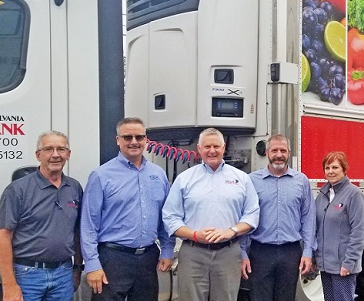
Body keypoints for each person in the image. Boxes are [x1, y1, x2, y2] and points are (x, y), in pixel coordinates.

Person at [80, 117, 173, 300]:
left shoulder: (158, 175)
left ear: (146, 139)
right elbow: (88, 224)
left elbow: (166, 217)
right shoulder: (101, 176)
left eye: (139, 137)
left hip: (148, 259)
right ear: (118, 140)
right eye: (127, 137)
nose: (133, 142)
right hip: (113, 259)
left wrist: (167, 250)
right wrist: (92, 264)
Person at [163, 128, 260, 301]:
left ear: (224, 148)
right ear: (199, 149)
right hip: (193, 253)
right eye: (207, 146)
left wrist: (231, 231)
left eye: (216, 146)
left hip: (228, 253)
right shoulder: (185, 179)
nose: (212, 150)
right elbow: (170, 217)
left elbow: (252, 215)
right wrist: (194, 235)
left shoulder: (242, 178)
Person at [0, 131, 83, 301]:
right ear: (38, 155)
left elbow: (77, 232)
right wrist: (9, 285)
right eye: (48, 149)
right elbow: (2, 237)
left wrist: (77, 268)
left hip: (64, 273)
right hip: (28, 275)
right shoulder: (17, 190)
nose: (55, 155)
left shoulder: (74, 187)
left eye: (61, 149)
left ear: (68, 154)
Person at [241, 134, 316, 301]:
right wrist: (243, 253)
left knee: (287, 297)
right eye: (274, 150)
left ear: (289, 153)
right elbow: (244, 217)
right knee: (259, 297)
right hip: (260, 252)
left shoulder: (301, 181)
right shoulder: (252, 181)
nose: (279, 154)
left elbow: (308, 218)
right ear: (267, 153)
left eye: (283, 150)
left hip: (291, 252)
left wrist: (308, 251)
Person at [314, 151, 364, 301]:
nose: (330, 171)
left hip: (343, 266)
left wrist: (349, 263)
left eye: (335, 167)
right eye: (327, 167)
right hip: (326, 266)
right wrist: (315, 259)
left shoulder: (354, 194)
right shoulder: (322, 195)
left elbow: (359, 232)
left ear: (344, 169)